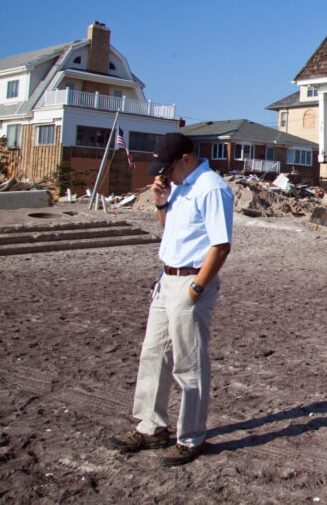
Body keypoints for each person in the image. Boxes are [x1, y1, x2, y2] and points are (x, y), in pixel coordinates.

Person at [108, 132, 233, 466]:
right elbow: (172, 230)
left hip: (191, 282)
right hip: (167, 280)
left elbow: (220, 245)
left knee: (189, 363)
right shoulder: (178, 186)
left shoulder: (212, 188)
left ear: (186, 160)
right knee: (153, 355)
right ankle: (152, 427)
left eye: (168, 167)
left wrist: (197, 288)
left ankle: (191, 436)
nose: (164, 174)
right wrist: (162, 201)